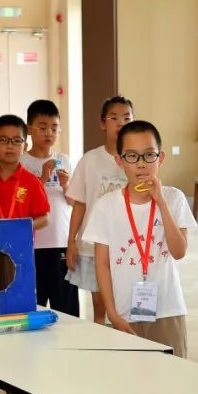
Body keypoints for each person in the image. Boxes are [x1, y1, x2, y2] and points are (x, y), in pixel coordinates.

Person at [82, 120, 198, 394]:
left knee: (175, 390)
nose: (141, 164)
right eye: (133, 156)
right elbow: (101, 264)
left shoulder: (173, 198)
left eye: (149, 155)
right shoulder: (107, 205)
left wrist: (160, 204)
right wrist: (112, 314)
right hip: (122, 314)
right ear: (119, 160)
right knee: (118, 393)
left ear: (161, 157)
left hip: (167, 309)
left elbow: (179, 250)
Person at [65, 96, 134, 324]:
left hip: (129, 244)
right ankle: (101, 335)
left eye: (127, 118)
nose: (121, 123)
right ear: (103, 123)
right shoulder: (90, 160)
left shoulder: (135, 160)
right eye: (114, 118)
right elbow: (80, 203)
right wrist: (71, 241)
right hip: (94, 244)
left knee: (127, 302)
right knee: (99, 304)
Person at [24, 99, 78, 316]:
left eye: (54, 128)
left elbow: (74, 203)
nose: (49, 133)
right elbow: (21, 204)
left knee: (66, 307)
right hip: (33, 244)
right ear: (29, 129)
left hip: (61, 242)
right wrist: (42, 179)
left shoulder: (63, 160)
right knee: (34, 305)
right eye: (43, 127)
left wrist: (66, 186)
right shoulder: (22, 162)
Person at [0, 114, 50, 229]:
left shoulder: (32, 181)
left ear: (25, 146)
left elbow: (44, 218)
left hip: (21, 240)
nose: (10, 146)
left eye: (16, 141)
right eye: (3, 140)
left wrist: (22, 228)